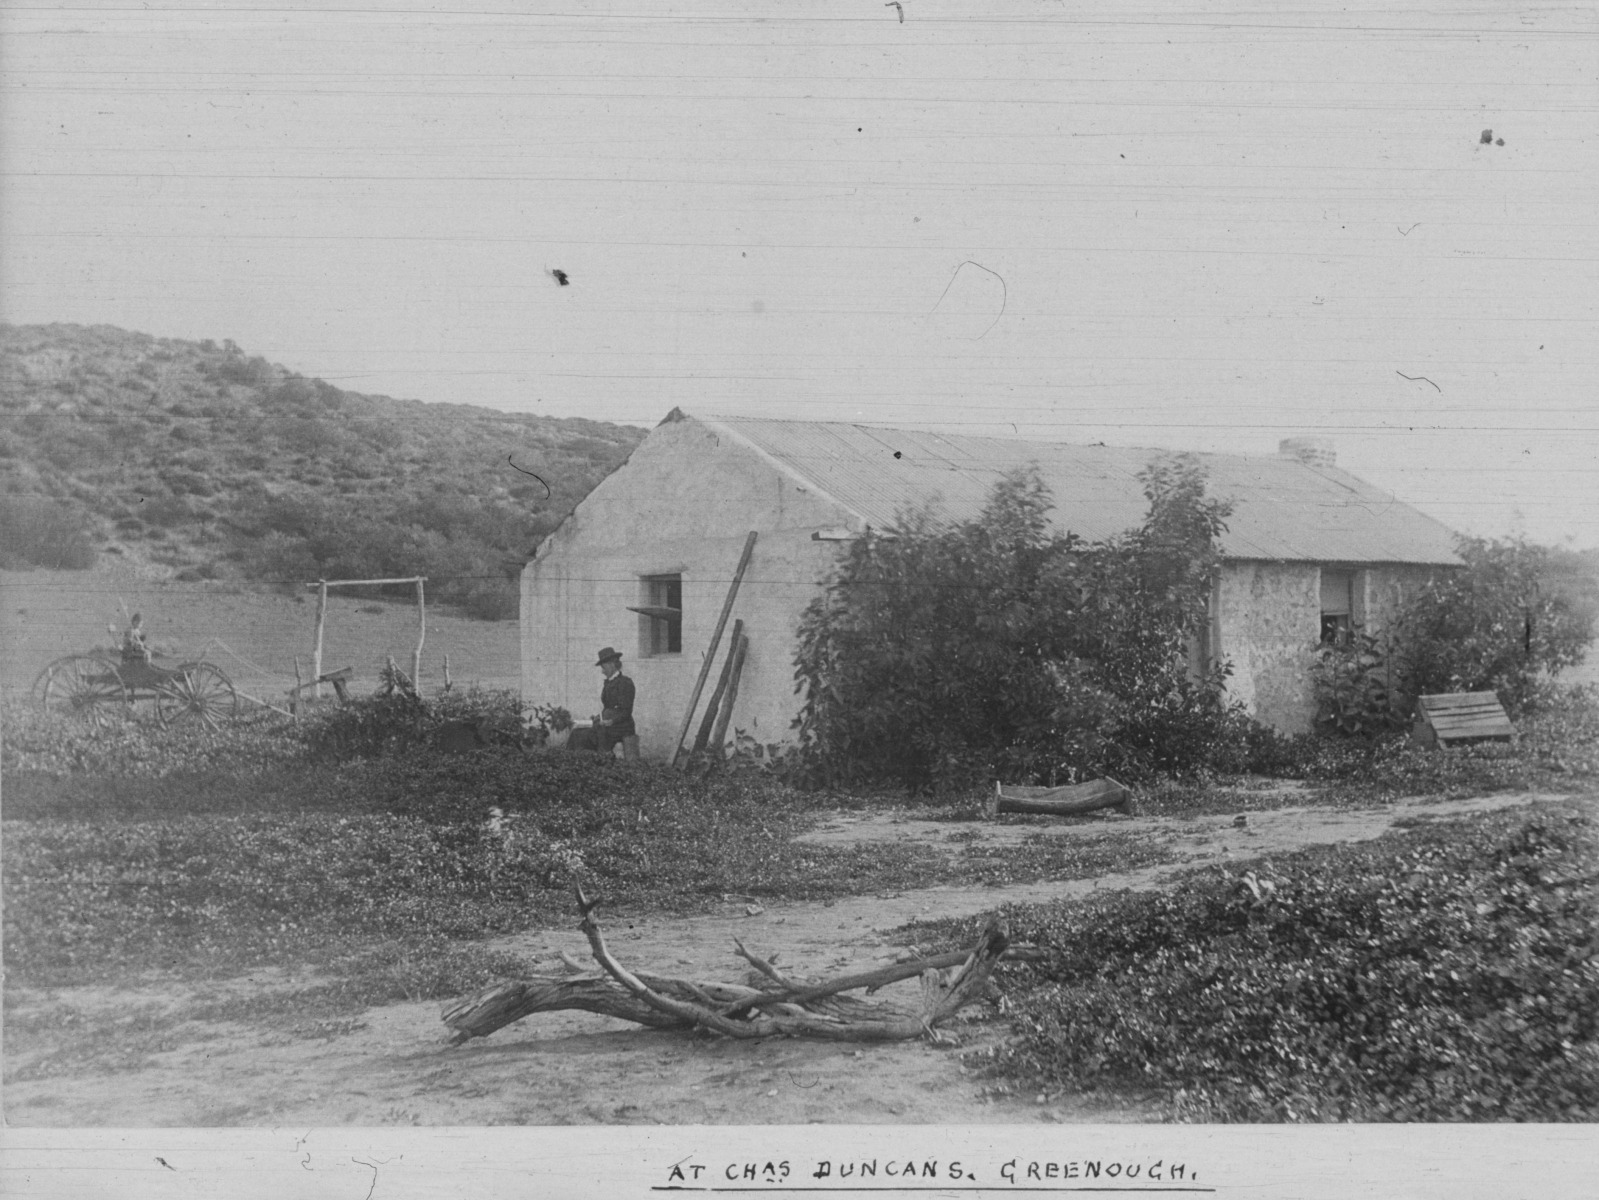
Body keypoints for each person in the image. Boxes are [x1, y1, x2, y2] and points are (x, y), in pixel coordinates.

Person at [594, 646, 639, 760]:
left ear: (611, 665)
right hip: (610, 724)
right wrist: (599, 718)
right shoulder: (608, 683)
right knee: (581, 734)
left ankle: (604, 761)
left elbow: (627, 711)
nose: (602, 671)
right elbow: (607, 707)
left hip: (623, 726)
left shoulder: (625, 683)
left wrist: (612, 721)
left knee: (599, 733)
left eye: (603, 668)